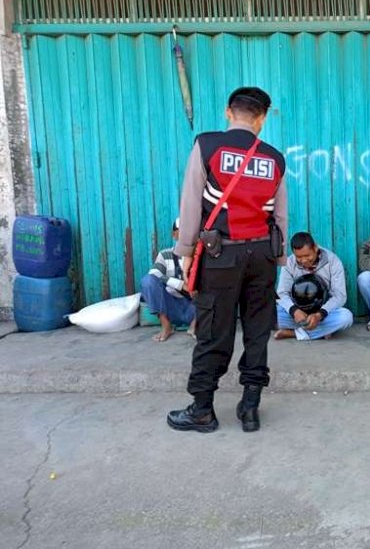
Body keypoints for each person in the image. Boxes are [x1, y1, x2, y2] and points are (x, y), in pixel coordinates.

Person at [167, 86, 287, 433]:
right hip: (262, 255)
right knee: (257, 331)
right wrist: (276, 262)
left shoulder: (207, 145)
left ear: (227, 112)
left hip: (221, 255)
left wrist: (186, 253)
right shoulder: (275, 158)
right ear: (262, 120)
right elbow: (280, 217)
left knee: (213, 331)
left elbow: (191, 204)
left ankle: (202, 409)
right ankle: (250, 408)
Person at [275, 232, 353, 341]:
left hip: (323, 313)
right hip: (297, 313)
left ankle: (294, 333)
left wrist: (319, 315)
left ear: (315, 248)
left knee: (346, 317)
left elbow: (339, 296)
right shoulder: (289, 263)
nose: (304, 260)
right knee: (268, 315)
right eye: (299, 257)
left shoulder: (333, 262)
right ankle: (320, 331)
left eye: (307, 255)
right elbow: (282, 293)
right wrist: (294, 311)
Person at [140, 217, 196, 342]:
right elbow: (154, 274)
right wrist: (181, 285)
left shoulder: (201, 256)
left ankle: (196, 325)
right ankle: (166, 325)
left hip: (196, 308)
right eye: (182, 231)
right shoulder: (165, 255)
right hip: (171, 307)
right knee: (147, 281)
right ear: (174, 234)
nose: (187, 236)